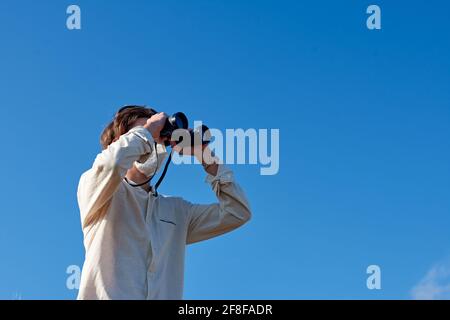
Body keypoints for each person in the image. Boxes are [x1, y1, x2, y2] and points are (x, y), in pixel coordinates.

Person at [76, 106, 252, 300]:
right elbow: (112, 165)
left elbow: (238, 212)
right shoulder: (96, 191)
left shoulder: (177, 212)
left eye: (159, 138)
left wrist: (205, 156)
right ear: (119, 143)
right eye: (145, 135)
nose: (153, 144)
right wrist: (146, 132)